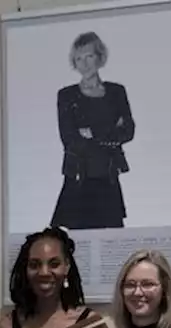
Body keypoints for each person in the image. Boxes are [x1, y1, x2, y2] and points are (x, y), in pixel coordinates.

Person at [51, 31, 135, 230]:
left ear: (99, 57)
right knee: (78, 242)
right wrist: (110, 133)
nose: (84, 64)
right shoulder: (67, 95)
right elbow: (69, 139)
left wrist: (93, 133)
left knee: (112, 237)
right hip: (79, 176)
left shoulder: (116, 92)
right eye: (78, 59)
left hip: (108, 176)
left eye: (89, 56)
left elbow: (128, 131)